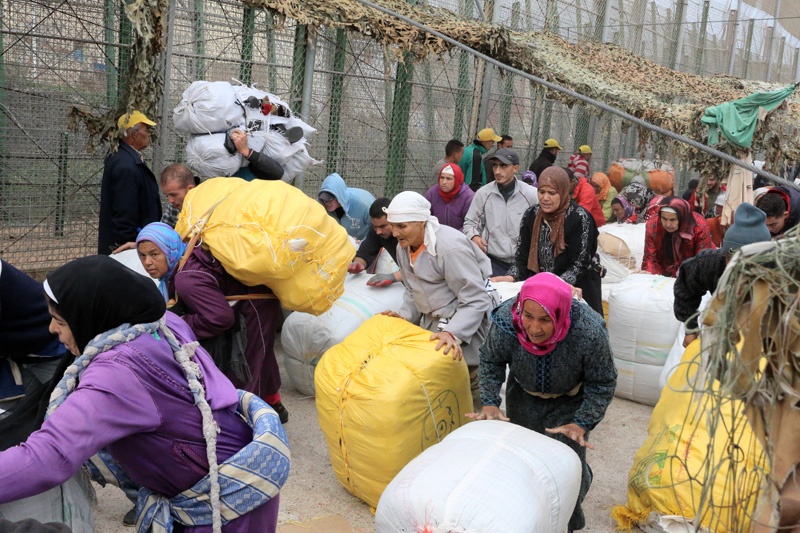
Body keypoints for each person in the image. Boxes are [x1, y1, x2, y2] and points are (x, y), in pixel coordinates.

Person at [0, 256, 288, 532]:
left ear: (91, 316)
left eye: (60, 321)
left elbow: (50, 455)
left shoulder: (117, 373)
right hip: (231, 472)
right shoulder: (157, 323)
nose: (51, 329)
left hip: (222, 503)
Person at [467, 272, 617, 532]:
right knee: (526, 464)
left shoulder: (588, 331)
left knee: (565, 471)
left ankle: (568, 523)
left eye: (545, 320)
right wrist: (490, 401)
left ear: (560, 315)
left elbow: (603, 381)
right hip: (522, 397)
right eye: (529, 317)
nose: (534, 328)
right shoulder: (507, 321)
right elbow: (491, 360)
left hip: (569, 404)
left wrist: (582, 422)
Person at [137, 224, 289, 424]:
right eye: (142, 256)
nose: (148, 262)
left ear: (170, 249)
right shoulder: (182, 263)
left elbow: (220, 318)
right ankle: (274, 406)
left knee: (247, 364)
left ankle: (252, 423)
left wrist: (181, 322)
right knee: (260, 355)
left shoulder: (186, 278)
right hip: (250, 301)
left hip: (254, 306)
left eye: (154, 254)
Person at [381, 191, 493, 412]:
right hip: (434, 329)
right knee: (444, 399)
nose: (395, 233)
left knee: (472, 395)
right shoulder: (403, 247)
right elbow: (413, 290)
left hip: (465, 330)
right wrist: (404, 317)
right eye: (392, 226)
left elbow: (475, 298)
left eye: (401, 226)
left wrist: (453, 332)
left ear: (422, 222)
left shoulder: (449, 248)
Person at [504, 167, 603, 315]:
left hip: (576, 290)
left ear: (563, 192)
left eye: (552, 193)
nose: (545, 198)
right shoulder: (531, 215)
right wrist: (509, 277)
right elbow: (522, 258)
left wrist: (552, 287)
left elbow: (579, 263)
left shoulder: (579, 218)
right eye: (541, 192)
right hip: (540, 293)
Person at [673, 202, 771, 347]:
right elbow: (686, 285)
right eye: (731, 258)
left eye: (747, 261)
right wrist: (690, 328)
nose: (737, 266)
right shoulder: (711, 264)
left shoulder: (779, 274)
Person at [463, 149, 538, 277]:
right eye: (495, 165)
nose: (497, 171)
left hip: (525, 262)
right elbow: (471, 222)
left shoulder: (530, 194)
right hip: (494, 262)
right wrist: (474, 236)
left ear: (515, 168)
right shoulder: (483, 194)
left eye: (503, 166)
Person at [98, 110, 162, 254]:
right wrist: (131, 245)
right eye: (146, 130)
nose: (149, 134)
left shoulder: (125, 158)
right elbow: (124, 211)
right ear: (134, 134)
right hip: (127, 247)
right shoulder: (126, 166)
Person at [641, 196, 715, 277]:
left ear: (682, 217)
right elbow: (650, 258)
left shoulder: (699, 226)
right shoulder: (653, 225)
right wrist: (651, 275)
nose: (668, 224)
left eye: (673, 220)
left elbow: (702, 262)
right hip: (665, 267)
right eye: (664, 218)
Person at [347, 198, 402, 287]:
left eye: (382, 226)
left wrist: (394, 277)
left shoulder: (410, 235)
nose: (378, 232)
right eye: (375, 227)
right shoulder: (378, 232)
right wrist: (358, 264)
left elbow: (421, 268)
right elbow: (365, 252)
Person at [318, 173, 376, 241]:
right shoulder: (320, 207)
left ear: (339, 196)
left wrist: (363, 242)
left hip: (365, 242)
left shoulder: (364, 204)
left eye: (330, 199)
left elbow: (378, 229)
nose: (327, 203)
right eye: (324, 199)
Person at [425, 163, 474, 231]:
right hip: (436, 234)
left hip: (459, 237)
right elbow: (426, 216)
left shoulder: (468, 197)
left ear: (456, 180)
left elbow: (470, 223)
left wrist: (453, 237)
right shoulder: (432, 193)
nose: (444, 182)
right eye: (442, 178)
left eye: (449, 179)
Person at [159, 163, 201, 228]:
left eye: (173, 195)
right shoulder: (174, 206)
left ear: (190, 189)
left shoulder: (210, 203)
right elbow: (163, 231)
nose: (170, 201)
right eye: (167, 196)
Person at [460, 128, 502, 192]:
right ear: (486, 142)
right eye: (492, 142)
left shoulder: (469, 150)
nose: (493, 145)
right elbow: (472, 183)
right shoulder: (475, 156)